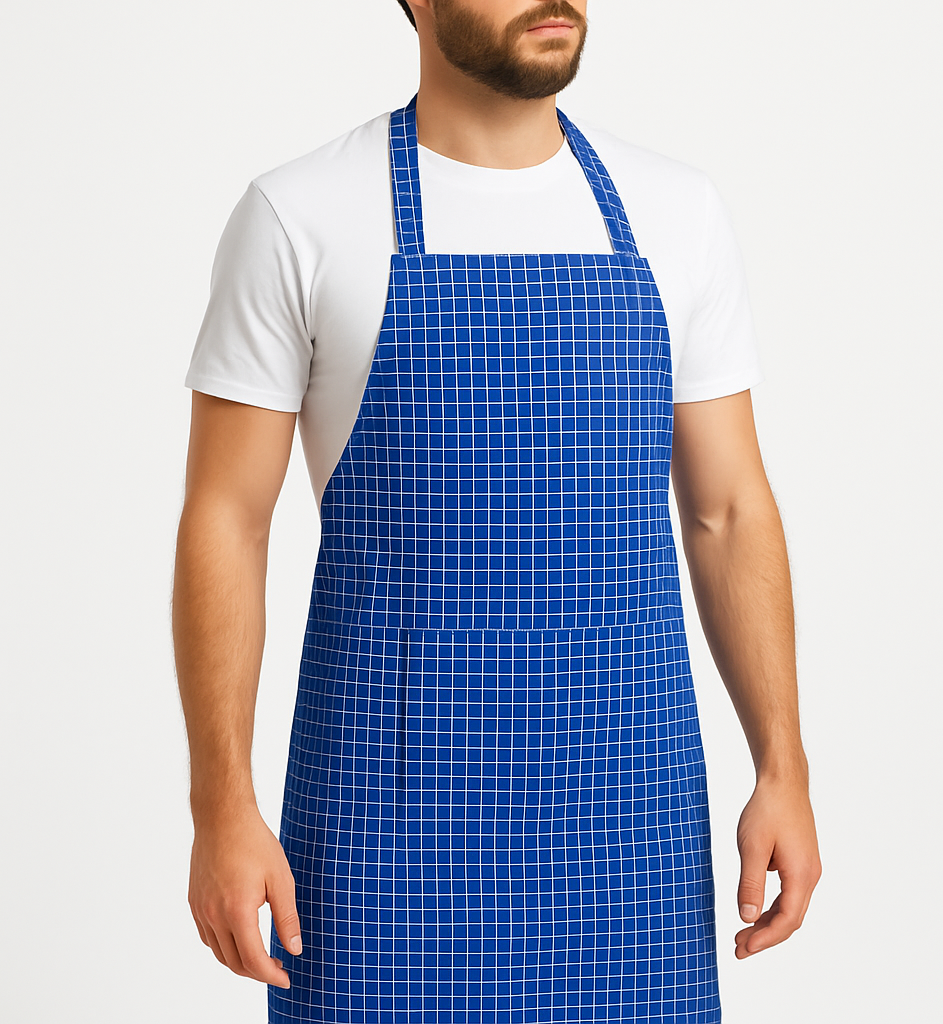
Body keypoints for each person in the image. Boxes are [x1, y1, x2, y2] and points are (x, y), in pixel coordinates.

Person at [172, 1, 822, 1021]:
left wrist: (783, 766)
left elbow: (729, 510)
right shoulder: (300, 214)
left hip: (627, 824)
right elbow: (226, 520)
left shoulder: (677, 211)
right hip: (381, 825)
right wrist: (221, 806)